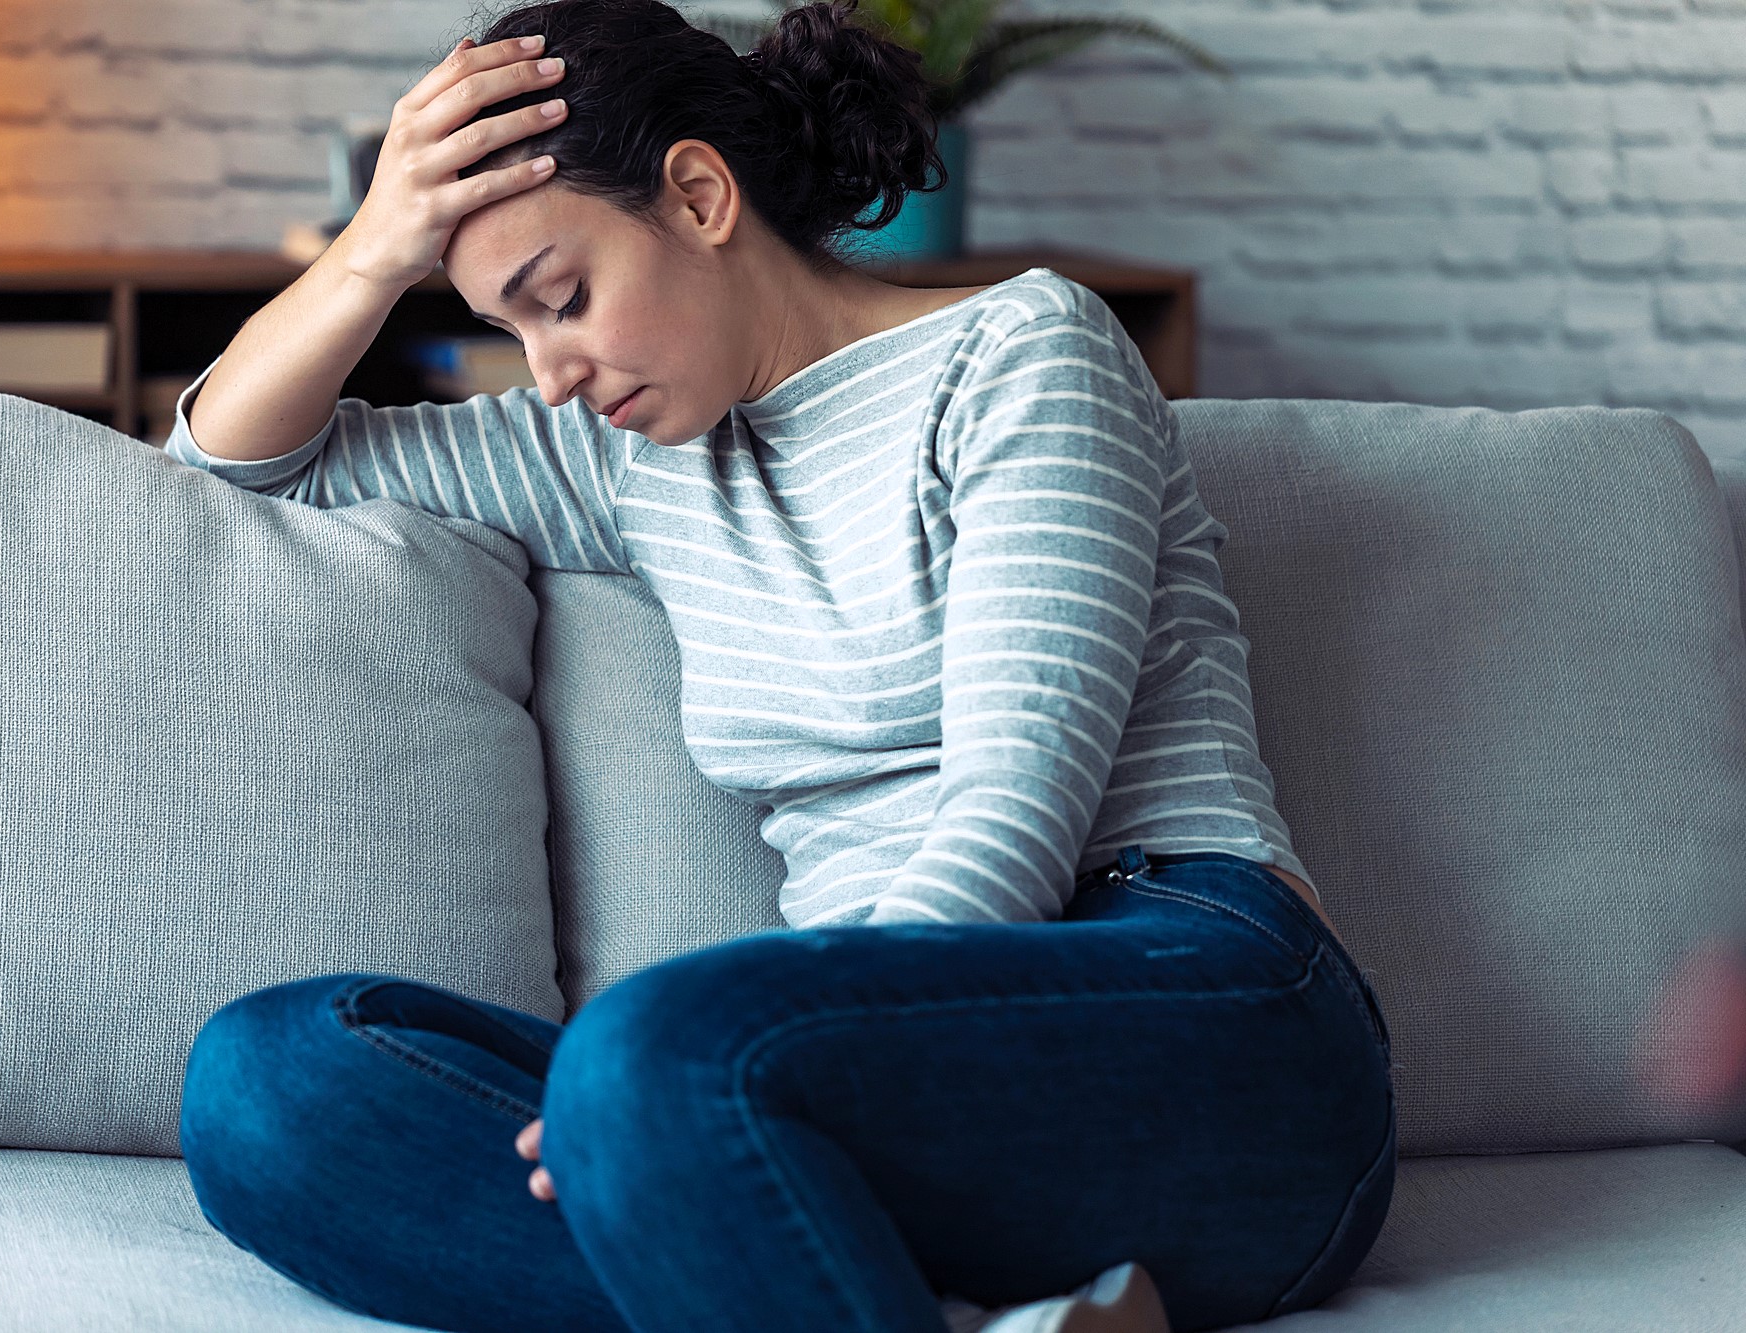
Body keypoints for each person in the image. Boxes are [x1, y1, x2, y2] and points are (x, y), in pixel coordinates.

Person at [165, 1, 1398, 1330]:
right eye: (510, 333)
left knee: (644, 1061)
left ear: (698, 195)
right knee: (267, 1081)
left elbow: (1013, 820)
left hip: (1197, 1004)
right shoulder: (625, 461)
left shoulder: (1023, 352)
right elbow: (238, 465)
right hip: (838, 1078)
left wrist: (683, 1085)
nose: (553, 374)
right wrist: (372, 251)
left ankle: (712, 1194)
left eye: (562, 299)